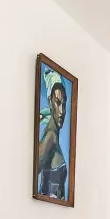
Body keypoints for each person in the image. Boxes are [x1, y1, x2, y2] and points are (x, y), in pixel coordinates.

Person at [38, 71, 68, 199]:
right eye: (58, 102)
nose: (62, 111)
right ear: (50, 102)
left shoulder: (53, 135)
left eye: (64, 104)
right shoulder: (51, 136)